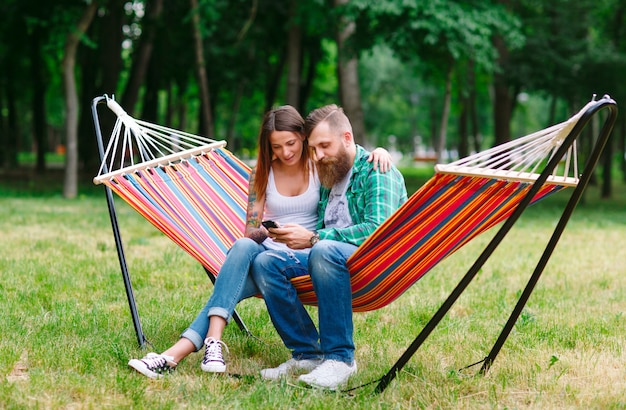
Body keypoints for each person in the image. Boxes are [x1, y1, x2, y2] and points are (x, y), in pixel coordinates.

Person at [127, 105, 393, 378]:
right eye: (276, 147)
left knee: (252, 266)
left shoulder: (320, 165)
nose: (285, 152)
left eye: (291, 143)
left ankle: (176, 354)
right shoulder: (264, 173)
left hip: (312, 255)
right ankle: (204, 347)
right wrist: (270, 232)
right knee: (246, 248)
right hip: (269, 251)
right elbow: (251, 230)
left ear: (303, 137)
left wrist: (380, 151)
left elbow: (346, 154)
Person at [251, 104, 408, 390]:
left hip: (372, 264)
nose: (318, 155)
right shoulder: (329, 173)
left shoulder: (376, 169)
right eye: (313, 148)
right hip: (327, 262)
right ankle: (307, 354)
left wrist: (314, 239)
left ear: (347, 138)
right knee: (265, 263)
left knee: (323, 250)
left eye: (325, 145)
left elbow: (378, 230)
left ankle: (340, 359)